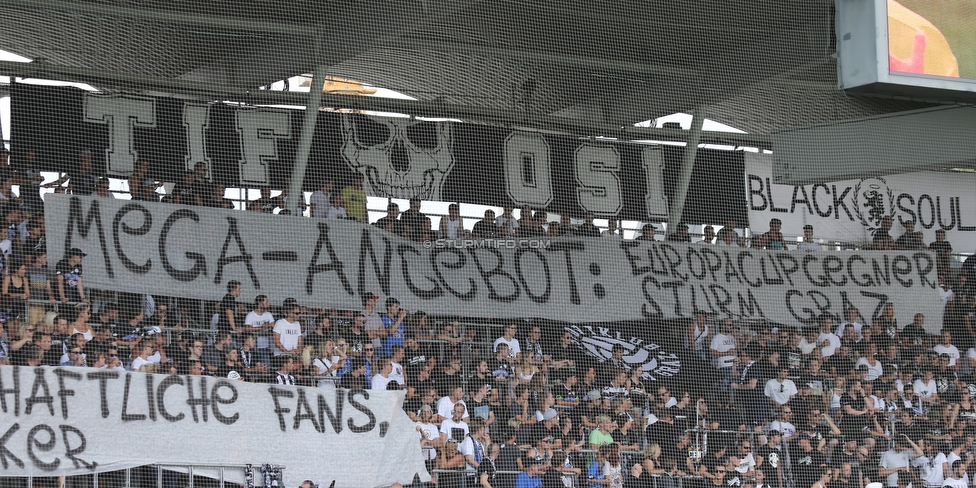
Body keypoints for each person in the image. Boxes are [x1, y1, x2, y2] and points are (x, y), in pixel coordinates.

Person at [244, 295, 274, 367]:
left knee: (266, 367)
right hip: (253, 348)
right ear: (260, 304)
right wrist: (261, 327)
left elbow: (273, 325)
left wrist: (269, 326)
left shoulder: (268, 314)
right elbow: (247, 328)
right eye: (266, 302)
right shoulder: (250, 315)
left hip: (265, 347)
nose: (268, 304)